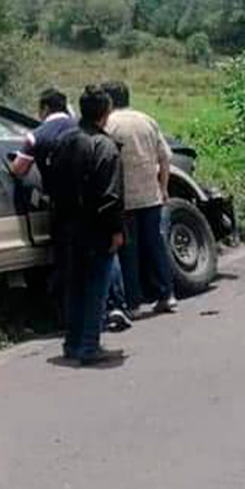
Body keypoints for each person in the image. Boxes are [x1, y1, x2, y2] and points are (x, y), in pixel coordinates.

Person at [52, 85, 125, 365]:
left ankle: (72, 343)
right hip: (95, 228)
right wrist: (116, 230)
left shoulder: (65, 140)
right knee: (96, 287)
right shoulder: (104, 146)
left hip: (67, 225)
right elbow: (110, 196)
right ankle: (89, 345)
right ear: (106, 113)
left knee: (75, 286)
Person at [102, 81, 178, 318]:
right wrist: (163, 188)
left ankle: (133, 303)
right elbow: (164, 158)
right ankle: (167, 295)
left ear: (109, 101)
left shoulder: (109, 124)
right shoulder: (147, 120)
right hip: (150, 195)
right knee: (156, 245)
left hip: (124, 199)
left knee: (128, 251)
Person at [8, 88, 78, 323]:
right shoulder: (82, 127)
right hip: (93, 204)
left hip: (63, 206)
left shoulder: (37, 135)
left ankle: (71, 318)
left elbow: (19, 169)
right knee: (100, 258)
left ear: (45, 108)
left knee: (68, 263)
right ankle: (111, 308)